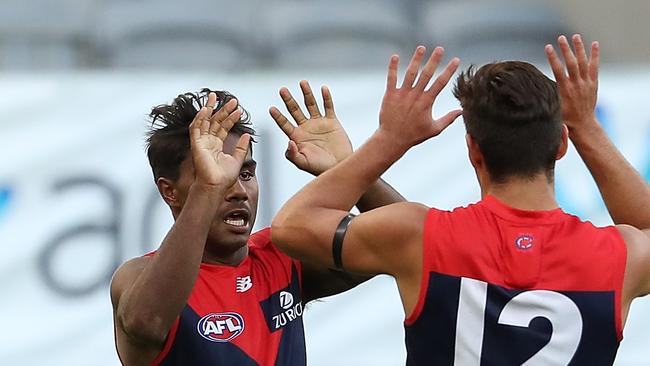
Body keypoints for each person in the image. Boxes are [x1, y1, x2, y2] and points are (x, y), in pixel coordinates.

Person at [272, 36, 650, 365]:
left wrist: (389, 141)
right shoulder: (621, 256)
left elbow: (292, 226)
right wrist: (586, 126)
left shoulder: (419, 237)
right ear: (562, 145)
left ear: (473, 150)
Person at [109, 83, 404, 365]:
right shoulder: (137, 277)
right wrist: (209, 188)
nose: (237, 190)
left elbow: (407, 243)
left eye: (246, 174)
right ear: (169, 191)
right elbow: (146, 322)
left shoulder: (282, 256)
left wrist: (349, 170)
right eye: (214, 172)